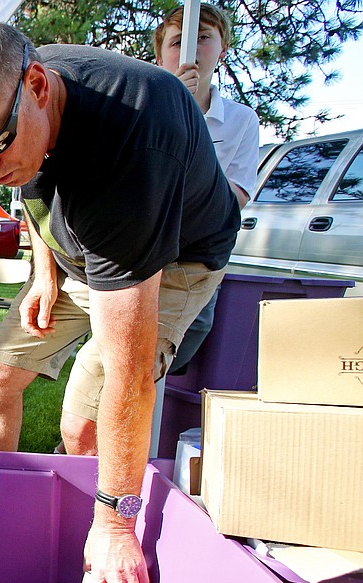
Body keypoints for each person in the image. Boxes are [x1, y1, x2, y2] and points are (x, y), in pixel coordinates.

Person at [0, 21, 240, 583]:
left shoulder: (134, 146)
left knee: (87, 420)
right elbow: (31, 187)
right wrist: (45, 270)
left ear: (38, 86)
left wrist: (119, 520)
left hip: (169, 261)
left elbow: (129, 368)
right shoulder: (14, 100)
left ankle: (83, 558)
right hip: (74, 253)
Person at [154, 3, 260, 373]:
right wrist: (172, 108)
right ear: (160, 55)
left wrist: (192, 124)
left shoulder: (241, 120)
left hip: (196, 252)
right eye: (177, 42)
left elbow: (238, 196)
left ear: (222, 49)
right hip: (143, 246)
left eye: (203, 38)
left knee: (186, 338)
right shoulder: (144, 108)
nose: (190, 49)